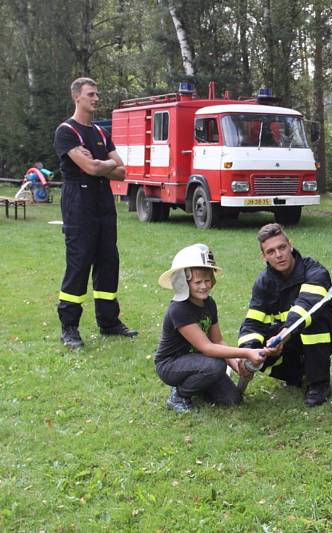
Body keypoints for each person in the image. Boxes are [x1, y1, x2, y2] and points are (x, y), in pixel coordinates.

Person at [53, 77, 137, 349]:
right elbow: (89, 168)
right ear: (77, 96)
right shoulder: (66, 131)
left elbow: (122, 171)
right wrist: (104, 164)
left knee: (108, 261)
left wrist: (101, 163)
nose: (96, 98)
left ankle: (109, 322)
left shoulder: (101, 133)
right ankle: (69, 327)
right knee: (79, 263)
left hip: (103, 201)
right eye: (91, 94)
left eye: (97, 94)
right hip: (79, 201)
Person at [237, 224, 332, 406]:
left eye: (282, 247)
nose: (279, 255)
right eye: (271, 251)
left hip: (329, 330)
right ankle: (297, 375)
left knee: (313, 320)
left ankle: (319, 384)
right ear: (264, 256)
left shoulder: (314, 270)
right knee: (258, 349)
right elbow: (253, 323)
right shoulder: (263, 284)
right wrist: (249, 351)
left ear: (290, 245)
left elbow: (307, 306)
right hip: (289, 337)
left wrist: (284, 334)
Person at [155, 244, 266, 413]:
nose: (204, 286)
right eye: (197, 282)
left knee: (232, 399)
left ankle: (197, 385)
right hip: (171, 364)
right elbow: (206, 347)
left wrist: (237, 366)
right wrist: (246, 353)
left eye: (207, 280)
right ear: (183, 283)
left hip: (198, 361)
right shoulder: (179, 309)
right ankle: (179, 394)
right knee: (215, 366)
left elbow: (218, 340)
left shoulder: (209, 303)